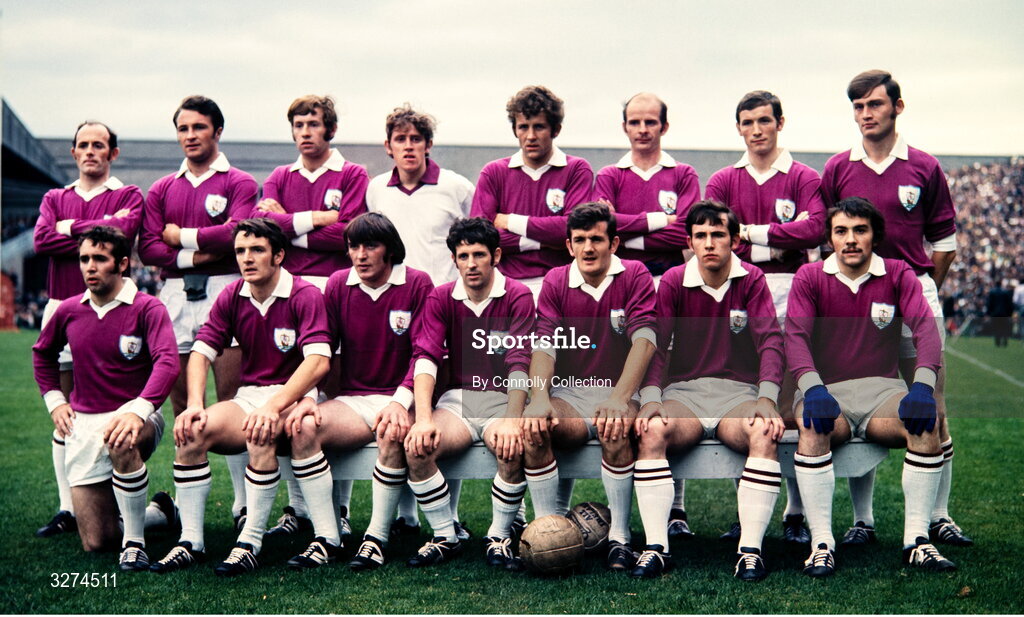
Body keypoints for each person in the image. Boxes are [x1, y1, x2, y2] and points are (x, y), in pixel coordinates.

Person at [821, 71, 970, 547]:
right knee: (857, 393)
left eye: (875, 105)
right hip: (855, 297)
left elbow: (945, 243)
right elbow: (826, 240)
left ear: (897, 107)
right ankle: (862, 520)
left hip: (911, 294)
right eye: (858, 107)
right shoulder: (838, 167)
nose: (866, 114)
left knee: (933, 405)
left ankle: (939, 516)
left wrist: (918, 291)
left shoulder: (924, 166)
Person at [149, 218, 331, 577]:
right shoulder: (232, 294)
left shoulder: (304, 293)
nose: (247, 258)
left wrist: (274, 406)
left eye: (257, 250)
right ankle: (191, 542)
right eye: (241, 251)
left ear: (278, 255)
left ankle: (249, 543)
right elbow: (201, 352)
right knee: (191, 433)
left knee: (259, 431)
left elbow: (318, 361)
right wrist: (196, 404)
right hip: (251, 396)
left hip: (297, 398)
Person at [787, 197, 956, 576]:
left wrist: (922, 387)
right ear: (829, 238)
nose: (850, 239)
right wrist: (812, 389)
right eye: (841, 231)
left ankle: (917, 540)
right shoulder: (809, 276)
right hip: (827, 390)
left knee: (925, 421)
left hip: (881, 392)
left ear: (875, 236)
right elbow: (795, 337)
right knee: (813, 426)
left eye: (859, 230)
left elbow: (926, 330)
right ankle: (821, 544)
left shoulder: (897, 272)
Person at [636, 201, 785, 580]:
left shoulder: (751, 278)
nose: (709, 243)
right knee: (651, 429)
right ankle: (657, 547)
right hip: (685, 394)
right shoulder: (673, 280)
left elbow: (770, 341)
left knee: (764, 430)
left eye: (718, 234)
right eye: (700, 236)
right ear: (688, 242)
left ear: (734, 240)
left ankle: (750, 550)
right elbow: (656, 344)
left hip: (738, 394)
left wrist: (767, 399)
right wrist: (651, 398)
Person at [704, 90, 826, 545]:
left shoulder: (803, 176)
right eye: (748, 122)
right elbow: (716, 234)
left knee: (790, 398)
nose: (757, 130)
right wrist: (778, 241)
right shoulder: (723, 179)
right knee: (747, 395)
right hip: (740, 288)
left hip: (792, 287)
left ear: (780, 122)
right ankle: (747, 510)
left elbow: (814, 229)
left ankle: (795, 511)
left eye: (764, 121)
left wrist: (752, 234)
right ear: (738, 128)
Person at [284, 212, 434, 571]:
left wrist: (401, 401)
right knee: (303, 427)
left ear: (390, 249)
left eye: (370, 246)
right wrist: (310, 398)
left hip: (404, 398)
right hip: (354, 400)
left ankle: (375, 539)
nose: (360, 255)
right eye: (353, 247)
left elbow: (424, 352)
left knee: (393, 431)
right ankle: (327, 538)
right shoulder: (338, 284)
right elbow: (322, 349)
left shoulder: (417, 283)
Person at [139, 95, 257, 531]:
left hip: (225, 289)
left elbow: (236, 235)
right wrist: (198, 254)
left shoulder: (239, 182)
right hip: (174, 294)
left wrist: (181, 239)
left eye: (199, 127)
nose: (190, 136)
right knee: (183, 404)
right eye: (183, 128)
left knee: (232, 399)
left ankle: (243, 504)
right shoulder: (162, 188)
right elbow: (149, 248)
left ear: (217, 131)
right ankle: (184, 507)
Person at [254, 94, 370, 538]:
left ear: (330, 130)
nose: (305, 132)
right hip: (291, 294)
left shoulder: (352, 173)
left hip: (337, 289)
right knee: (294, 393)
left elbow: (349, 235)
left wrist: (291, 223)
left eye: (313, 124)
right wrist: (320, 218)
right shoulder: (279, 176)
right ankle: (297, 507)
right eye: (298, 125)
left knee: (332, 396)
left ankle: (340, 508)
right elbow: (264, 229)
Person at [32, 226, 179, 570]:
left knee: (121, 440)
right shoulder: (68, 310)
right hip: (85, 422)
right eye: (84, 259)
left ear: (122, 264)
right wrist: (55, 401)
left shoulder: (148, 308)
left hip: (136, 414)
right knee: (97, 541)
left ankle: (135, 544)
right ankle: (160, 513)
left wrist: (139, 410)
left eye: (99, 258)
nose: (89, 266)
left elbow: (168, 363)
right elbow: (43, 354)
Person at [522, 202, 657, 573]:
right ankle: (547, 532)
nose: (588, 248)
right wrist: (539, 399)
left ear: (613, 243)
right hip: (571, 392)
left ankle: (620, 539)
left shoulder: (634, 274)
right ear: (568, 245)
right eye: (579, 240)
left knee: (615, 427)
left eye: (596, 239)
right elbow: (544, 346)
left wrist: (619, 399)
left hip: (620, 388)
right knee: (535, 427)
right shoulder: (556, 280)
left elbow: (645, 340)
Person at [593, 92, 702, 538]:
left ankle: (676, 505)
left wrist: (629, 223)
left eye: (650, 122)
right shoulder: (609, 175)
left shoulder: (683, 173)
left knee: (668, 379)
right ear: (624, 127)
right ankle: (617, 497)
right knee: (625, 372)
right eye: (634, 122)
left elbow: (686, 231)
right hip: (623, 282)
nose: (642, 129)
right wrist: (660, 220)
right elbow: (603, 228)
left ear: (664, 126)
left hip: (672, 280)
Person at [32, 121, 145, 538]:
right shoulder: (54, 197)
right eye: (83, 145)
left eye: (99, 145)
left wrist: (67, 227)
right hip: (61, 307)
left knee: (111, 403)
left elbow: (122, 237)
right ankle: (68, 507)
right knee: (65, 412)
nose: (91, 151)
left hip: (112, 310)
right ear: (73, 152)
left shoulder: (128, 195)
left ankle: (116, 500)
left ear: (113, 153)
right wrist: (98, 226)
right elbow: (41, 240)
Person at [402, 217, 535, 569]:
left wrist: (513, 419)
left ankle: (499, 536)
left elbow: (520, 360)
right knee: (418, 447)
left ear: (496, 256)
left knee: (512, 445)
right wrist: (424, 419)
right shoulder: (441, 296)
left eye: (479, 255)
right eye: (463, 256)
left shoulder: (518, 294)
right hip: (458, 399)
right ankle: (446, 535)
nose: (471, 264)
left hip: (503, 398)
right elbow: (426, 357)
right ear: (454, 260)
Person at [470, 85, 594, 296]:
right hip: (505, 287)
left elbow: (573, 232)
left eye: (539, 127)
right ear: (515, 130)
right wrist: (545, 241)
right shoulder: (493, 172)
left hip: (562, 286)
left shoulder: (577, 169)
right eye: (523, 127)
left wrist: (509, 221)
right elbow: (479, 239)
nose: (530, 136)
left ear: (556, 130)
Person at [367, 104, 474, 286]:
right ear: (388, 146)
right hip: (394, 293)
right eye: (400, 139)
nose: (408, 146)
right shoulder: (376, 189)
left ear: (428, 145)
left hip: (443, 293)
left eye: (416, 139)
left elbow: (478, 242)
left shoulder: (458, 187)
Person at [986, 279, 1014, 346]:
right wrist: (1010, 313)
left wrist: (988, 313)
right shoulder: (1005, 292)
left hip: (995, 313)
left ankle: (997, 341)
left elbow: (989, 304)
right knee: (1004, 327)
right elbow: (1009, 304)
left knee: (996, 327)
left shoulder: (992, 292)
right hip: (1004, 313)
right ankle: (1005, 340)